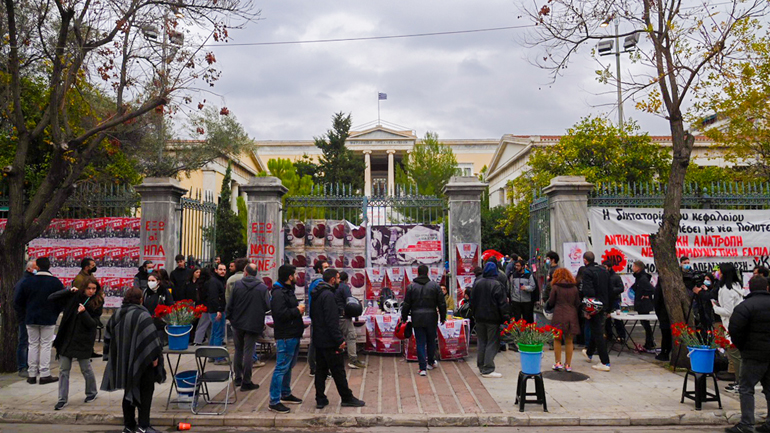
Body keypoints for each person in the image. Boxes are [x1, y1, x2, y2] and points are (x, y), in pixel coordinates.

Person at [101, 287, 164, 433]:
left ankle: (129, 425)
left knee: (128, 391)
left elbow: (108, 337)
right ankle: (143, 425)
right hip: (143, 361)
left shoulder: (117, 314)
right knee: (146, 391)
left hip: (123, 362)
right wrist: (155, 358)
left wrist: (111, 358)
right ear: (141, 299)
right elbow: (151, 339)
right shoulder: (143, 315)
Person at [310, 268, 365, 409]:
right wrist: (339, 340)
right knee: (338, 370)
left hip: (319, 339)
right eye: (338, 278)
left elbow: (315, 316)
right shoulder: (328, 295)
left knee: (321, 370)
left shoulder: (317, 293)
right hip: (329, 341)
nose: (340, 281)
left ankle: (320, 398)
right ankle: (347, 397)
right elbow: (331, 321)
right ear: (333, 279)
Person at [48, 277, 103, 410]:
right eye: (89, 288)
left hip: (83, 340)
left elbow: (92, 324)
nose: (91, 291)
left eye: (94, 289)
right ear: (84, 288)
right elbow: (51, 298)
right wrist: (67, 291)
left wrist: (83, 313)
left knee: (85, 368)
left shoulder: (97, 302)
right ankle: (62, 399)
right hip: (67, 338)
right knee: (64, 370)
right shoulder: (74, 296)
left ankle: (91, 392)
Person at [726, 276, 770, 433]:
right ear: (767, 288)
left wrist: (743, 347)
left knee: (746, 388)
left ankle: (747, 424)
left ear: (750, 288)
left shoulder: (745, 307)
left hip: (752, 355)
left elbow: (735, 330)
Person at [14, 257, 64, 385]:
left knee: (33, 344)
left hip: (30, 317)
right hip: (48, 318)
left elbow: (18, 301)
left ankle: (31, 374)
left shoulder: (27, 281)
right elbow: (62, 299)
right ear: (49, 266)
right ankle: (44, 373)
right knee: (46, 345)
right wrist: (55, 312)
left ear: (38, 267)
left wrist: (25, 314)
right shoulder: (55, 282)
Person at [268, 265, 306, 413]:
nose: (297, 277)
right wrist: (297, 311)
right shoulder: (278, 293)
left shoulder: (287, 290)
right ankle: (274, 401)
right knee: (281, 367)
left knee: (288, 366)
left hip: (293, 333)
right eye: (295, 274)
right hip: (285, 336)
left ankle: (285, 393)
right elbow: (279, 314)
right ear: (290, 277)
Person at [227, 263, 269, 392]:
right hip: (253, 324)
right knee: (249, 351)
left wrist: (230, 317)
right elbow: (268, 306)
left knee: (238, 350)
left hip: (237, 323)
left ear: (245, 273)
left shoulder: (237, 285)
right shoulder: (262, 288)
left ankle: (238, 377)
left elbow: (230, 303)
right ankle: (246, 381)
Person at [401, 264, 447, 376]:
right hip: (432, 317)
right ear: (427, 273)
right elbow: (441, 303)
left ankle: (422, 368)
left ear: (418, 273)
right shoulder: (435, 286)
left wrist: (404, 317)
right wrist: (443, 316)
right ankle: (430, 362)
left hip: (417, 318)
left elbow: (406, 304)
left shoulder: (411, 287)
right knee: (431, 341)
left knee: (420, 342)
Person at [471, 262, 509, 378]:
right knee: (492, 342)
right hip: (493, 318)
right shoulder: (497, 285)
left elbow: (472, 302)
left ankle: (481, 365)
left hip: (479, 318)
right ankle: (488, 368)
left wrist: (475, 314)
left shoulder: (477, 283)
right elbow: (502, 304)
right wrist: (506, 318)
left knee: (482, 341)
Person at [713, 262, 745, 394]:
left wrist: (715, 308)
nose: (717, 273)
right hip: (737, 324)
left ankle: (740, 382)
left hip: (732, 325)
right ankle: (740, 381)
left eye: (719, 271)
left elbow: (728, 310)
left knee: (735, 355)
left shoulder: (727, 290)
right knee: (737, 355)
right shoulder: (736, 286)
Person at [580, 251, 612, 372]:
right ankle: (589, 353)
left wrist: (587, 310)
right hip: (603, 304)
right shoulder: (604, 271)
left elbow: (588, 291)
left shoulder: (587, 272)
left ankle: (605, 361)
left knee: (598, 332)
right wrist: (609, 307)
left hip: (594, 305)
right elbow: (610, 289)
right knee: (596, 329)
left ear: (585, 260)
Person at [547, 268, 581, 372]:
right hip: (571, 315)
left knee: (557, 339)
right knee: (569, 341)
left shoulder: (555, 287)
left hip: (558, 314)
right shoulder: (574, 288)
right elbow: (577, 303)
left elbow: (551, 302)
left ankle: (558, 363)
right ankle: (568, 365)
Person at [195, 264, 227, 363]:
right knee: (218, 333)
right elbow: (213, 297)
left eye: (224, 270)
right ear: (216, 270)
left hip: (214, 310)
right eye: (220, 269)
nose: (223, 271)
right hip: (216, 310)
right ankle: (218, 357)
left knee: (214, 332)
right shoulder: (214, 282)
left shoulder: (215, 281)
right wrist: (218, 309)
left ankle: (212, 355)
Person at [335, 271, 366, 369]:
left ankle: (335, 360)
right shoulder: (344, 287)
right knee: (351, 336)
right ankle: (353, 360)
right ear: (346, 280)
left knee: (336, 338)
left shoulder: (332, 287)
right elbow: (350, 302)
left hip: (334, 316)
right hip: (344, 317)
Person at [13, 260, 37, 377]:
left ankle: (28, 365)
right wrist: (24, 314)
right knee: (23, 342)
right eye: (36, 267)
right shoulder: (24, 282)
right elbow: (17, 302)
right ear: (29, 269)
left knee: (29, 342)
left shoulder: (30, 281)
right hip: (25, 317)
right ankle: (22, 367)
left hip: (30, 316)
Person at [307, 259, 329, 376]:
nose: (328, 269)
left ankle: (314, 366)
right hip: (318, 316)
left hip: (316, 316)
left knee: (315, 341)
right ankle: (314, 366)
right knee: (316, 341)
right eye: (325, 267)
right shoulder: (319, 283)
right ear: (319, 270)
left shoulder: (315, 281)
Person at [630, 261, 656, 351]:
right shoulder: (639, 278)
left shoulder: (642, 279)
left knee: (645, 324)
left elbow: (652, 289)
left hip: (644, 304)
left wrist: (645, 295)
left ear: (638, 268)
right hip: (640, 303)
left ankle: (650, 342)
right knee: (644, 323)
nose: (632, 268)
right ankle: (650, 341)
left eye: (634, 266)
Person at [602, 260, 626, 343]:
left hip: (615, 300)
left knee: (618, 320)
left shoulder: (615, 277)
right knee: (607, 320)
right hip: (607, 300)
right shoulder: (604, 276)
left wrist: (612, 290)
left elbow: (621, 288)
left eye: (605, 267)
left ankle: (621, 336)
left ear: (609, 267)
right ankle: (609, 335)